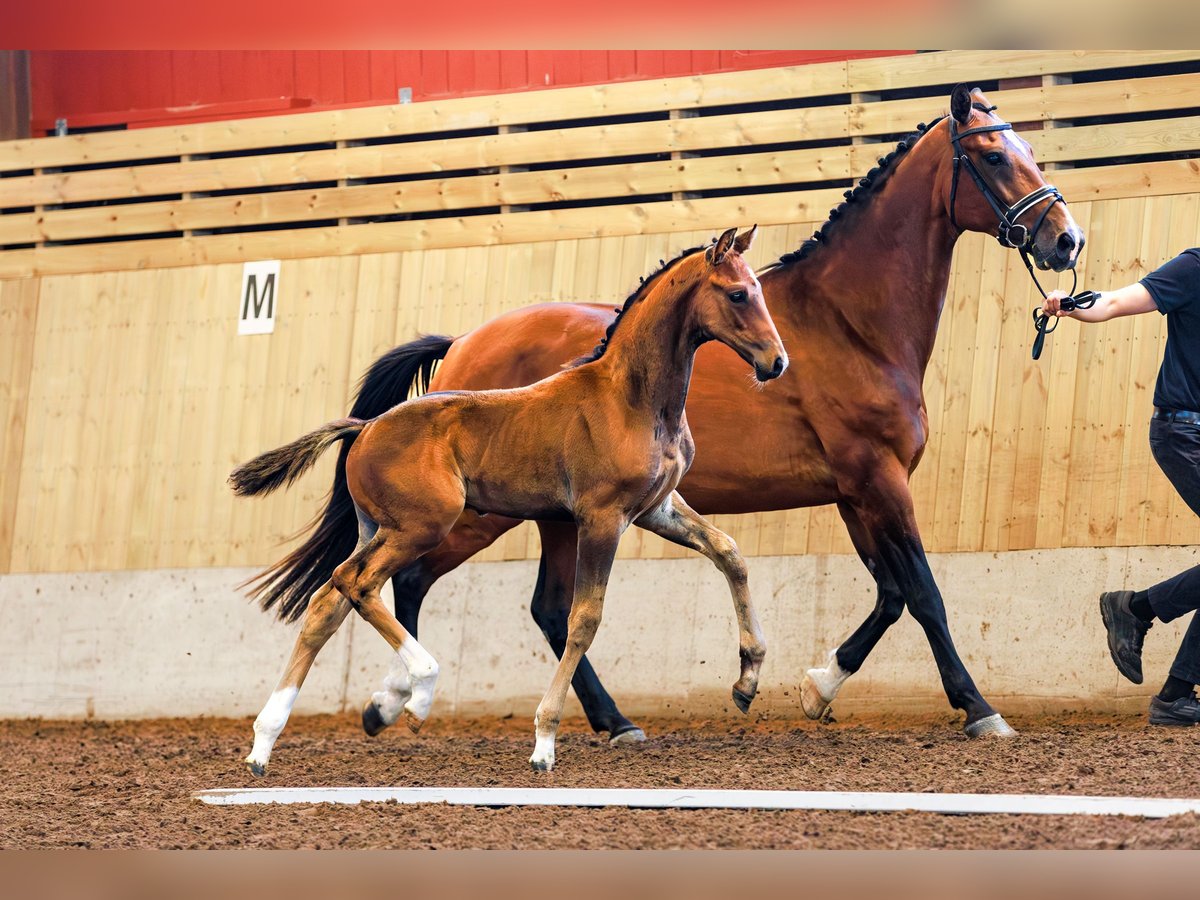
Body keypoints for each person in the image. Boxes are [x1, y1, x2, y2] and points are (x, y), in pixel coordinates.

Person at [1044, 248, 1200, 726]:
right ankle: (1138, 613)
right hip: (1183, 432)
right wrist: (1070, 306)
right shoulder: (1195, 267)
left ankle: (1171, 686)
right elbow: (1114, 302)